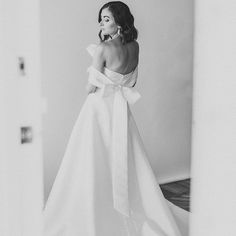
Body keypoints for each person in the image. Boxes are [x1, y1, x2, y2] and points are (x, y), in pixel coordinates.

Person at [43, 1, 190, 236]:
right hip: (122, 108)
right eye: (101, 19)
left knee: (92, 155)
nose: (102, 23)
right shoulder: (135, 46)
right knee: (124, 155)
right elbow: (132, 82)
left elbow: (91, 87)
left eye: (107, 19)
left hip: (99, 108)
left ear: (119, 21)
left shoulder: (102, 48)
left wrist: (98, 60)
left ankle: (95, 207)